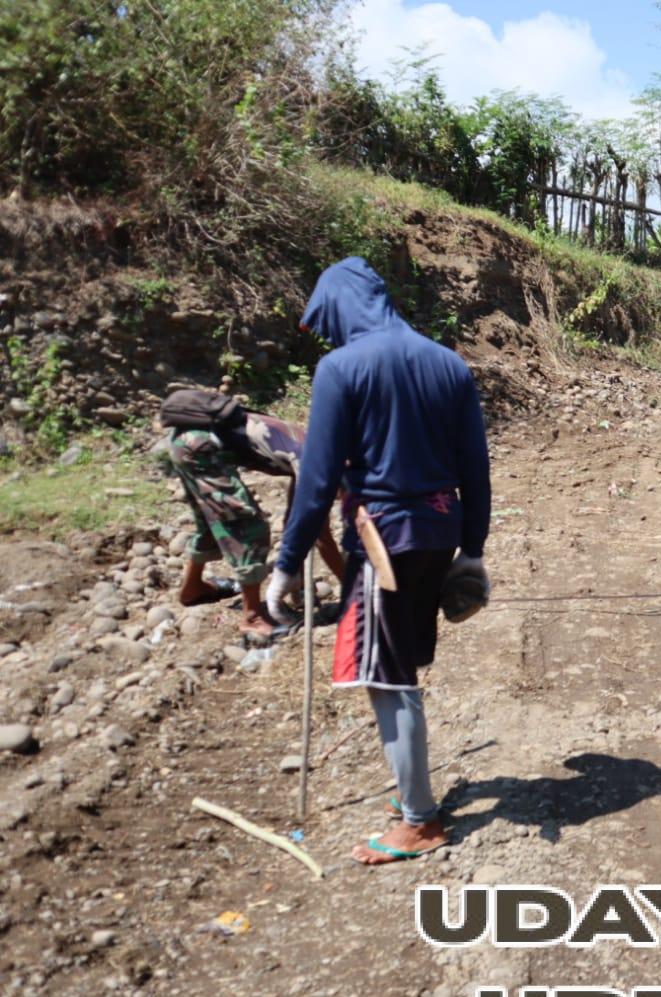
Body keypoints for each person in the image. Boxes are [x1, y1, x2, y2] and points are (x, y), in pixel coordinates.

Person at [266, 257, 492, 866]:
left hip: (381, 540)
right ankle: (410, 795)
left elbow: (316, 482)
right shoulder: (448, 363)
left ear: (340, 309)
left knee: (386, 676)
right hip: (437, 534)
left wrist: (286, 563)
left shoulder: (341, 368)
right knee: (399, 666)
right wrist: (471, 551)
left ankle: (420, 821)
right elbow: (476, 468)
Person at [162, 404, 343, 642]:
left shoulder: (322, 451)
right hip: (200, 447)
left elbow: (295, 521)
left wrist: (298, 587)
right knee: (247, 524)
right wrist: (353, 589)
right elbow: (320, 536)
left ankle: (193, 587)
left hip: (184, 441)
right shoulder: (318, 466)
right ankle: (253, 618)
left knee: (212, 518)